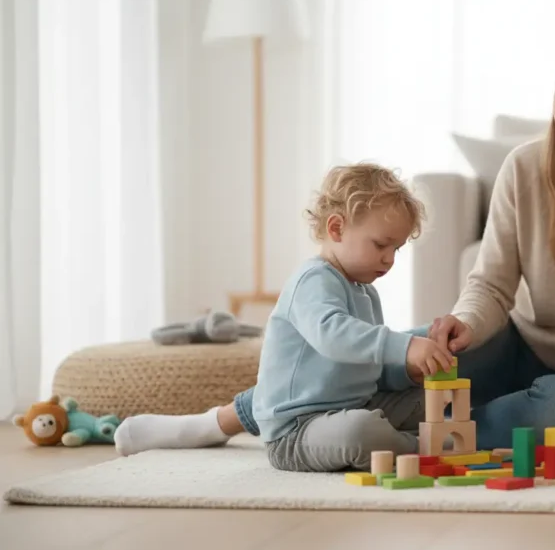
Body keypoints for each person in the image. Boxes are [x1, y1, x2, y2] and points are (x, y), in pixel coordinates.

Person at [114, 20, 555, 464]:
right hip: (519, 345)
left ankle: (401, 441)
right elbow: (493, 284)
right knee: (409, 356)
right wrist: (462, 326)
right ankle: (224, 421)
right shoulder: (528, 168)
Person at [117, 163, 455, 472]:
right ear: (336, 228)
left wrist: (423, 345)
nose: (389, 260)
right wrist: (404, 346)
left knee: (428, 402)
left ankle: (419, 439)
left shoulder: (365, 292)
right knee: (360, 431)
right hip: (297, 427)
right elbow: (335, 336)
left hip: (355, 404)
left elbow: (372, 361)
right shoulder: (313, 281)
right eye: (381, 245)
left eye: (396, 249)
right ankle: (420, 448)